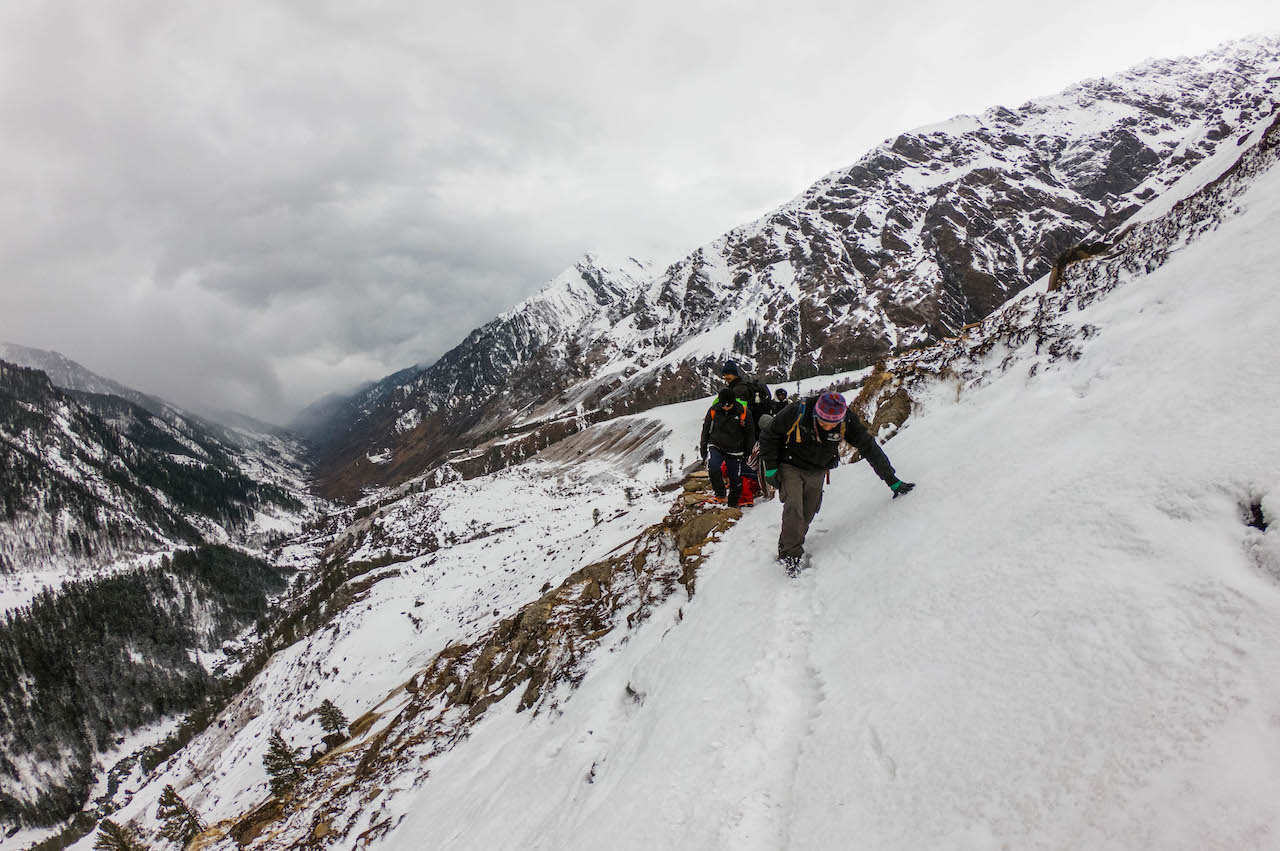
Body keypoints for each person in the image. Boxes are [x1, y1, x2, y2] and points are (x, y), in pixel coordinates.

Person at [759, 391, 915, 574]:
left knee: (807, 512)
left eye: (832, 423)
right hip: (790, 464)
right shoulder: (798, 411)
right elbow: (769, 435)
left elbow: (868, 447)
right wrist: (770, 467)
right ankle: (790, 555)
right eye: (823, 421)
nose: (827, 426)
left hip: (817, 469)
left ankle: (789, 540)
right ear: (816, 412)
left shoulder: (846, 420)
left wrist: (892, 480)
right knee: (794, 505)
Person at [699, 388, 757, 507]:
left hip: (736, 450)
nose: (725, 407)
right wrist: (703, 447)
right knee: (713, 467)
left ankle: (733, 503)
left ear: (733, 402)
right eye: (723, 404)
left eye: (728, 404)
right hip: (716, 445)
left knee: (735, 477)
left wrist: (748, 453)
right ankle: (720, 494)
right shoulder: (713, 411)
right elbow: (706, 430)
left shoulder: (743, 412)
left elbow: (750, 434)